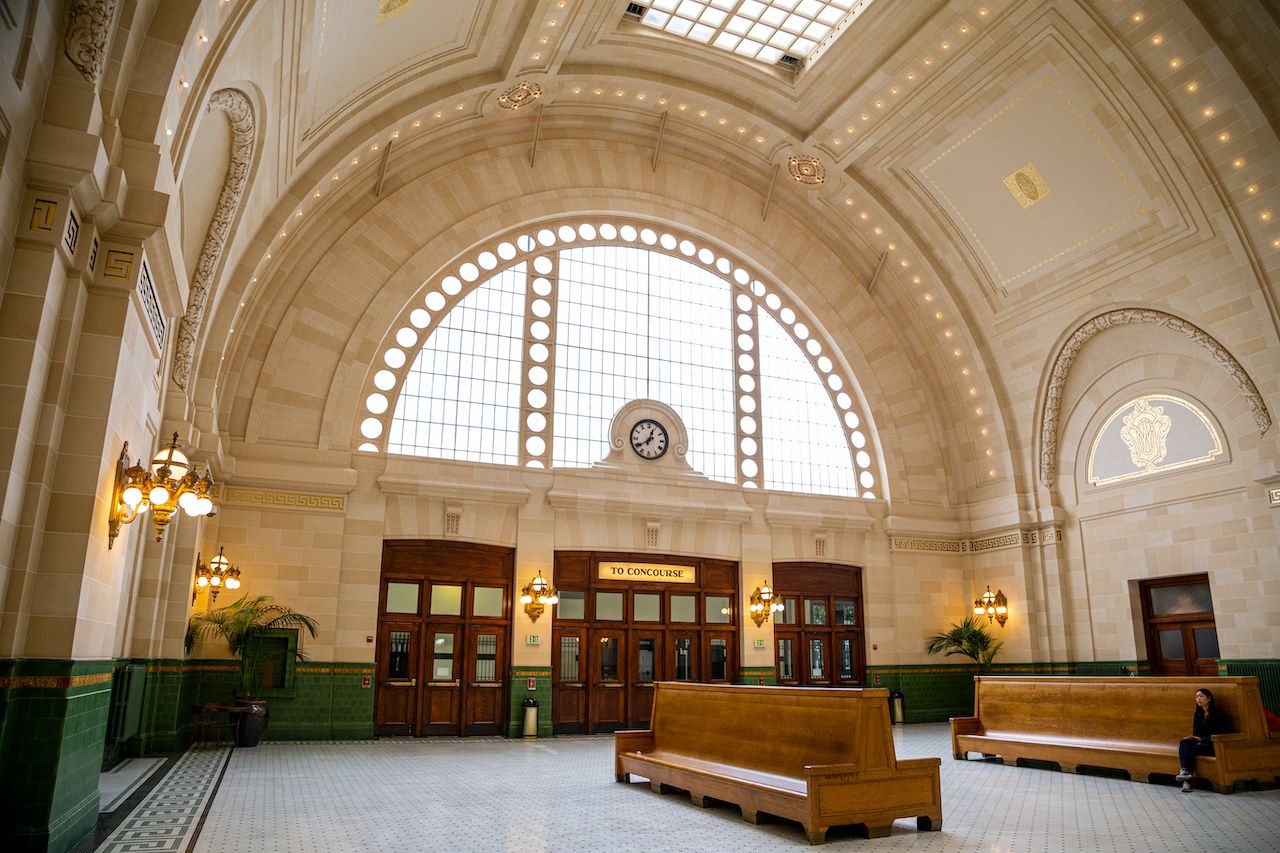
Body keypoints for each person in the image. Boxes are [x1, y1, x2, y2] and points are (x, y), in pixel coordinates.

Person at [1176, 688, 1223, 792]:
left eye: (1201, 696)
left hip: (1212, 744)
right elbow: (1196, 731)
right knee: (1184, 742)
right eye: (1197, 697)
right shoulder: (1198, 714)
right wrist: (1195, 737)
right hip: (1200, 742)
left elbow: (1220, 733)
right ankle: (1184, 771)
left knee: (1190, 751)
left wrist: (1202, 739)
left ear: (1209, 698)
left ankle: (1186, 781)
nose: (1198, 699)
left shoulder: (1217, 714)